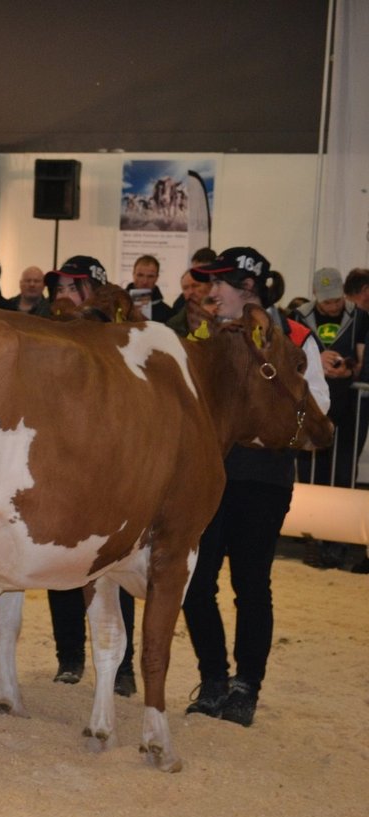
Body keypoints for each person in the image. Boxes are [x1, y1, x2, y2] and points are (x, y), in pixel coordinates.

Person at [180, 246, 330, 726]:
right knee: (197, 582)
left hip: (264, 477)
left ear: (248, 288)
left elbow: (318, 403)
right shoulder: (207, 335)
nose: (210, 291)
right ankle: (213, 679)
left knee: (251, 584)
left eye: (218, 283)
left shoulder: (296, 336)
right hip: (210, 473)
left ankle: (246, 687)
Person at [40, 254, 137, 693]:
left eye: (72, 287)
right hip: (60, 457)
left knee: (113, 565)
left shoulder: (122, 336)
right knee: (59, 561)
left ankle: (124, 666)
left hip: (110, 462)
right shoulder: (46, 336)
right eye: (58, 288)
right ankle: (70, 656)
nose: (62, 295)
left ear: (94, 292)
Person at [295, 267, 367, 569]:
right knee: (314, 473)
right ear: (315, 296)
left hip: (351, 408)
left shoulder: (361, 318)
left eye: (336, 300)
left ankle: (336, 544)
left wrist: (348, 368)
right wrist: (315, 363)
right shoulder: (298, 317)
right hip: (312, 408)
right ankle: (313, 540)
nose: (332, 307)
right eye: (326, 302)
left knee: (343, 474)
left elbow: (363, 358)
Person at [126, 254, 173, 323]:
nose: (145, 281)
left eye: (150, 276)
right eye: (140, 275)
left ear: (157, 278)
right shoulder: (117, 305)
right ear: (133, 275)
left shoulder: (167, 313)